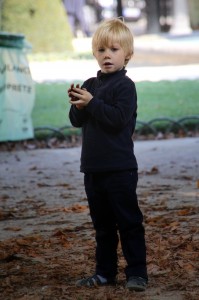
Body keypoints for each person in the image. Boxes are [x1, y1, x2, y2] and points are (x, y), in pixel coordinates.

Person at [68, 18, 148, 291]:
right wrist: (79, 105)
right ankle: (105, 272)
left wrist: (92, 103)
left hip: (120, 168)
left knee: (129, 222)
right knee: (102, 226)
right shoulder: (90, 83)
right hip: (93, 168)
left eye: (114, 50)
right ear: (95, 54)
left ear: (127, 55)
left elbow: (116, 120)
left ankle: (137, 273)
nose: (107, 55)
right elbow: (76, 122)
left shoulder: (126, 87)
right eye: (101, 50)